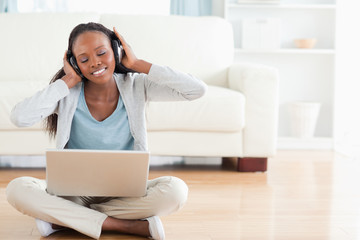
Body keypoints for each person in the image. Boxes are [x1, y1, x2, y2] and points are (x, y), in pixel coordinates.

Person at [6, 22, 207, 240]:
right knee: (17, 189)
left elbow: (196, 90)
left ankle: (65, 220)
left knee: (176, 191)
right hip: (73, 194)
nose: (94, 63)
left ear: (116, 50)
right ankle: (125, 226)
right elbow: (20, 117)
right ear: (74, 64)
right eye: (83, 59)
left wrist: (139, 63)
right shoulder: (67, 93)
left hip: (125, 193)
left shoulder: (136, 85)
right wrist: (67, 81)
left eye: (101, 53)